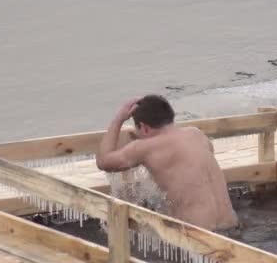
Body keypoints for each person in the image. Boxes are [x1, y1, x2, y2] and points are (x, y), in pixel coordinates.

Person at [96, 95, 239, 231]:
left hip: (200, 237)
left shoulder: (145, 147)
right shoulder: (196, 134)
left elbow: (103, 162)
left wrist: (119, 119)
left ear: (144, 127)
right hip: (233, 228)